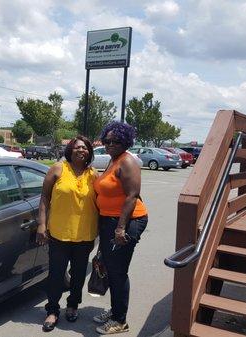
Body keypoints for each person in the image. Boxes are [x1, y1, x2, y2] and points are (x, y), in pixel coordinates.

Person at [36, 135, 98, 332]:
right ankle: (52, 310)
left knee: (79, 274)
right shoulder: (58, 168)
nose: (82, 150)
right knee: (56, 274)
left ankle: (72, 305)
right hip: (59, 234)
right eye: (78, 147)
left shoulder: (94, 174)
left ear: (90, 152)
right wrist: (41, 225)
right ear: (70, 150)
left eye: (86, 148)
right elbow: (45, 197)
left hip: (85, 235)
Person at [93, 121, 149, 335]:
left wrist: (120, 228)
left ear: (125, 141)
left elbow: (132, 196)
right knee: (110, 267)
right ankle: (116, 309)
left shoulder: (128, 162)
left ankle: (120, 321)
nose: (110, 144)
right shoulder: (113, 160)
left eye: (116, 141)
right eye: (107, 140)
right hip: (110, 222)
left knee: (118, 272)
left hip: (127, 222)